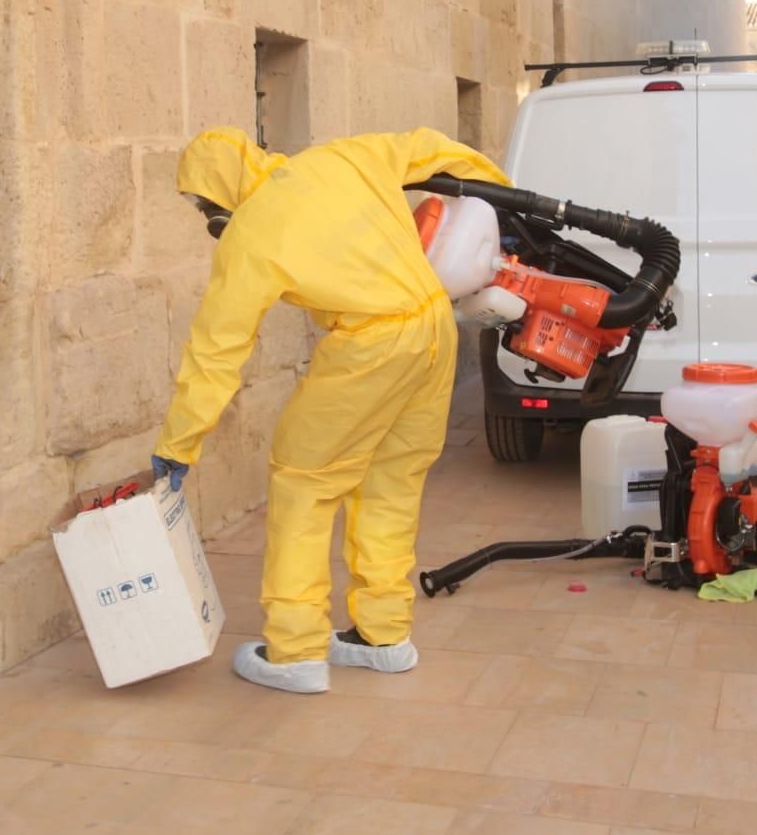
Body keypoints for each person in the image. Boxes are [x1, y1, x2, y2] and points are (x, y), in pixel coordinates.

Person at [153, 126, 510, 693]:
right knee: (391, 483)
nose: (207, 218)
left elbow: (218, 347)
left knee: (303, 482)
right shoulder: (346, 158)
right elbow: (431, 148)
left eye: (204, 205)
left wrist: (178, 443)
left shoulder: (252, 230)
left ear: (220, 188)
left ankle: (293, 651)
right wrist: (502, 198)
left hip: (369, 346)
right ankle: (383, 635)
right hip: (435, 331)